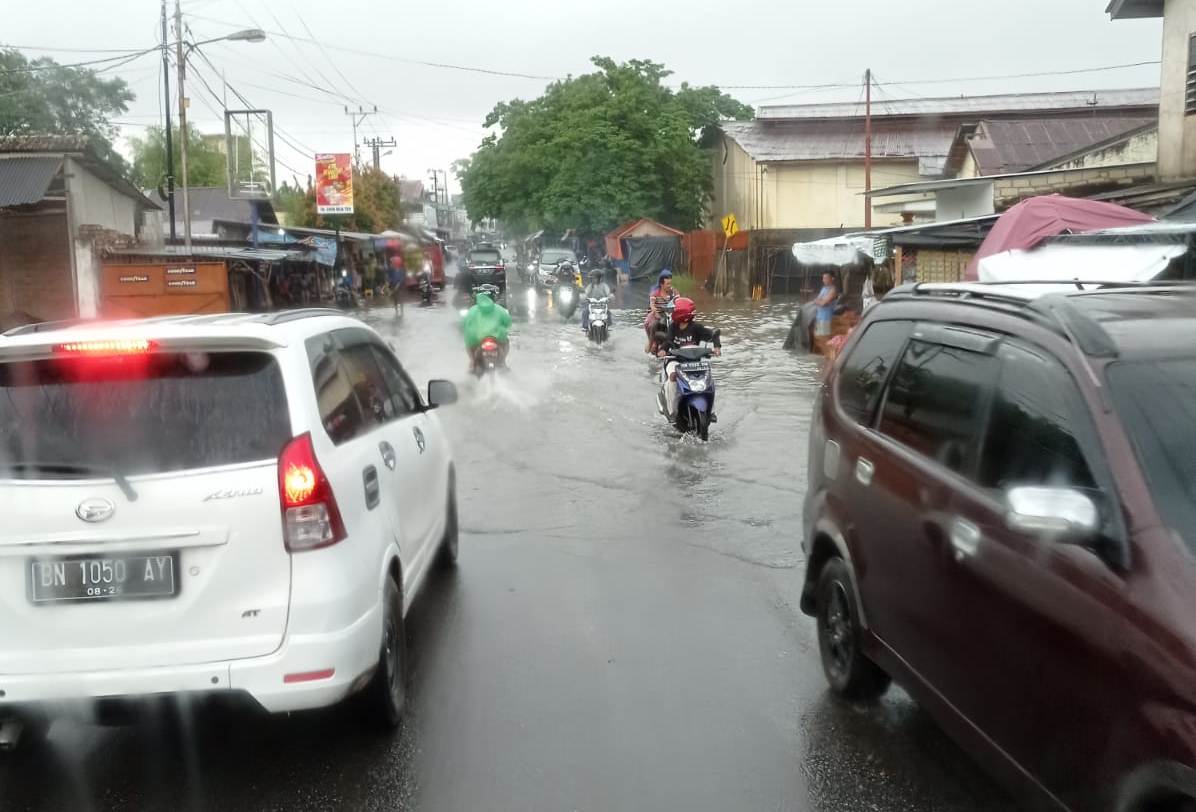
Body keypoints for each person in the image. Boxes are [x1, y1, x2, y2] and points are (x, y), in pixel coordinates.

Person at [656, 297, 721, 420]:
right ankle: (671, 411)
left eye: (674, 309)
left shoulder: (696, 328)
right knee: (672, 377)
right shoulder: (673, 327)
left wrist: (717, 347)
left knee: (709, 378)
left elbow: (713, 334)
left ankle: (711, 410)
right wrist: (663, 350)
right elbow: (668, 341)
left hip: (694, 361)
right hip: (674, 360)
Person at [461, 292, 512, 371]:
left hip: (477, 338)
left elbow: (464, 323)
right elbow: (508, 321)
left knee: (469, 346)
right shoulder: (499, 308)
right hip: (496, 337)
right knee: (506, 342)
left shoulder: (472, 310)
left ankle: (472, 362)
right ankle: (502, 362)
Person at [644, 269, 678, 353]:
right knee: (652, 324)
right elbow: (652, 305)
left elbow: (678, 301)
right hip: (658, 314)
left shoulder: (673, 291)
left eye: (670, 283)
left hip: (671, 314)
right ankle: (651, 342)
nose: (670, 286)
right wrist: (655, 311)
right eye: (667, 284)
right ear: (661, 284)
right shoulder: (655, 293)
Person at [814, 272, 839, 337]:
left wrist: (819, 301)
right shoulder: (824, 288)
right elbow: (816, 300)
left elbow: (823, 304)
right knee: (819, 337)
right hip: (819, 316)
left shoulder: (833, 290)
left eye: (826, 278)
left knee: (824, 338)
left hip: (826, 318)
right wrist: (820, 301)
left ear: (832, 278)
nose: (823, 280)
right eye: (823, 278)